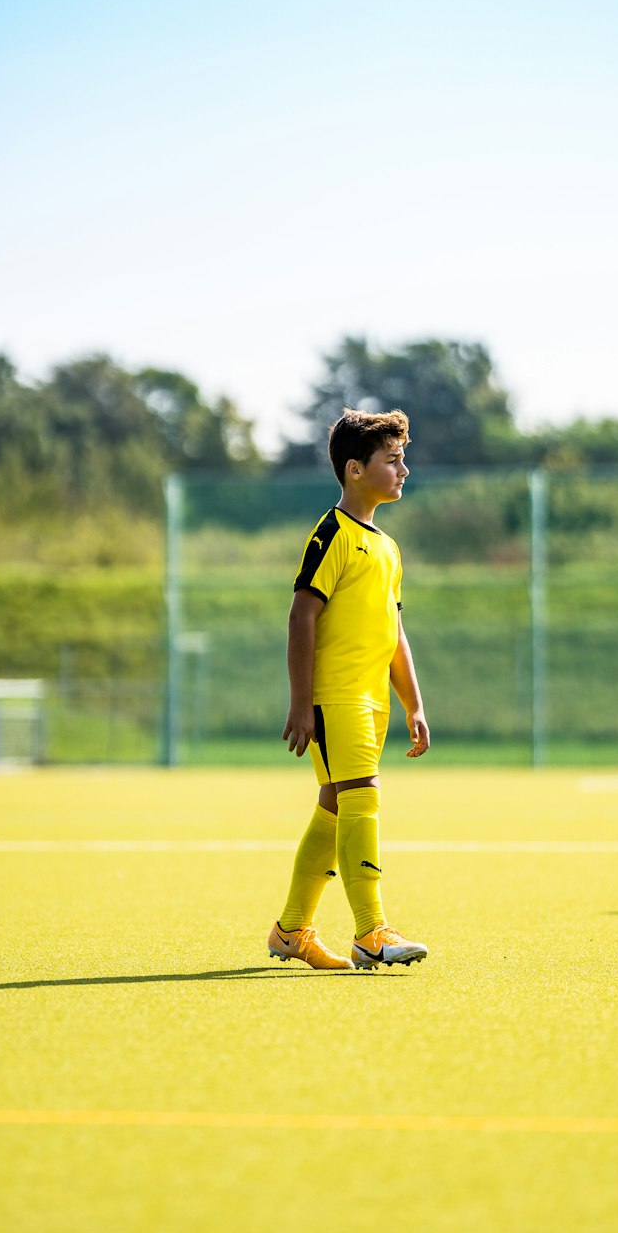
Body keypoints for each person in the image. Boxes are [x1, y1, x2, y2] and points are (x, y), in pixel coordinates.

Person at [270, 407, 430, 972]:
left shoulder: (387, 548)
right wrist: (299, 701)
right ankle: (371, 933)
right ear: (355, 469)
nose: (404, 469)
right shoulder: (332, 533)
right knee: (361, 794)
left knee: (335, 807)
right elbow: (301, 616)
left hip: (370, 699)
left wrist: (413, 703)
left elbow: (394, 632)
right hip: (334, 696)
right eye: (393, 460)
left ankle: (292, 931)